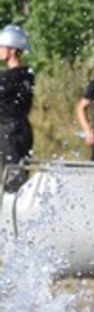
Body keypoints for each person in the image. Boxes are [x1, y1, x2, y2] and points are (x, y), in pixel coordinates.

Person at [0, 24, 34, 192]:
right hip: (22, 128)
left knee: (12, 178)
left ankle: (10, 215)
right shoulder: (27, 73)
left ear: (12, 50)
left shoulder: (8, 78)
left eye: (2, 47)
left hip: (10, 130)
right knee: (19, 174)